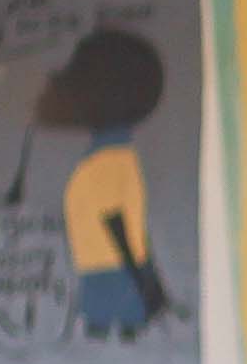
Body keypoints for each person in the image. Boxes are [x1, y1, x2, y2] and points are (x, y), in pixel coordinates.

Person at [35, 25, 173, 340]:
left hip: (110, 269)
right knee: (113, 334)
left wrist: (139, 272)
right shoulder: (112, 157)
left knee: (114, 334)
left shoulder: (108, 161)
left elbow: (116, 219)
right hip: (105, 268)